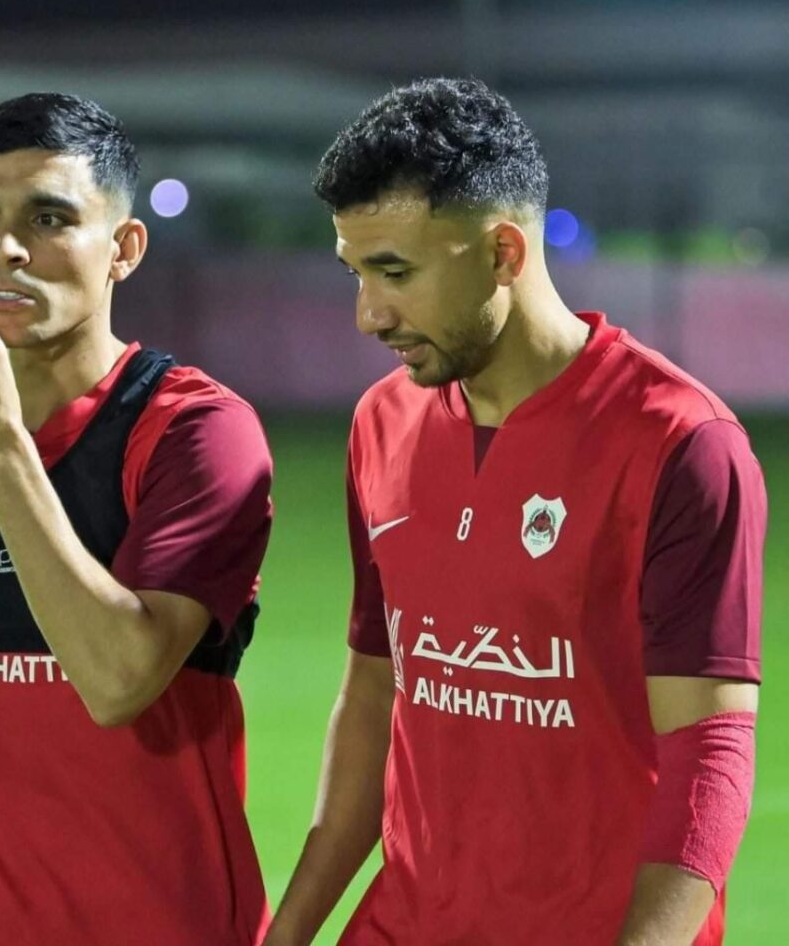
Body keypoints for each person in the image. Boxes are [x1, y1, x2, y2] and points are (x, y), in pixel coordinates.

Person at [263, 78, 765, 946]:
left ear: (502, 253)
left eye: (395, 272)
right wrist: (288, 933)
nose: (368, 314)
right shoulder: (381, 423)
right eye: (356, 272)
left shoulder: (680, 444)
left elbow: (709, 751)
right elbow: (377, 688)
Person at [0, 93, 273, 946]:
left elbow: (119, 678)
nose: (4, 248)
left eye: (49, 217)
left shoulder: (195, 431)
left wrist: (0, 446)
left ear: (123, 249)